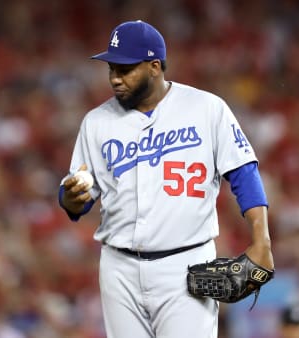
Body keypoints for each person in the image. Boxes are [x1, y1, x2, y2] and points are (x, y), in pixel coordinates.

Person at [58, 20, 274, 338]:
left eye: (125, 69)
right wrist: (70, 199)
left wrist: (262, 239)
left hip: (186, 264)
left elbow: (243, 172)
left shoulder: (205, 108)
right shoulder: (96, 122)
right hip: (119, 268)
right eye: (112, 70)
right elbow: (78, 195)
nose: (115, 79)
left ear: (154, 66)